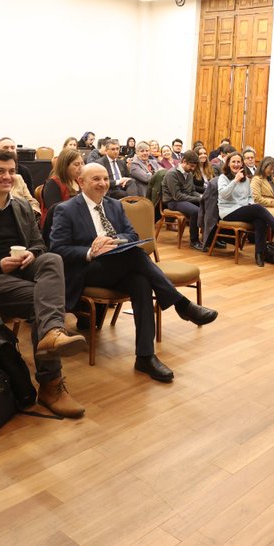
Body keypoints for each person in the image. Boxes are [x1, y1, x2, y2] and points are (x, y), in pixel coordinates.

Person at [0, 149, 88, 417]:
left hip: (19, 273)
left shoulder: (21, 206)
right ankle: (51, 384)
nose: (7, 176)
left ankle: (51, 334)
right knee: (42, 302)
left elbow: (38, 245)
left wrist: (32, 253)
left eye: (12, 171)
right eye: (0, 171)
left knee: (52, 259)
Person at [49, 163, 218, 382]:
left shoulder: (114, 205)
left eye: (105, 178)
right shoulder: (66, 209)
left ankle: (145, 357)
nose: (102, 184)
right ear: (81, 182)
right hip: (88, 269)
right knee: (135, 256)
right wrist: (92, 250)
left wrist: (115, 241)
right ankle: (181, 304)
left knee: (141, 282)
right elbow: (57, 249)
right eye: (96, 179)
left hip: (119, 264)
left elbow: (132, 235)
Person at [216, 152, 274, 267]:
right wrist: (235, 181)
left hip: (243, 209)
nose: (236, 164)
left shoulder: (246, 180)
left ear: (242, 164)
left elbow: (250, 197)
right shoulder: (223, 178)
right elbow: (224, 195)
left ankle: (259, 254)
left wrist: (250, 205)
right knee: (258, 208)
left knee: (260, 220)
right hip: (228, 211)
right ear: (228, 163)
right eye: (233, 161)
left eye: (239, 162)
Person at [162, 150, 204, 251]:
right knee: (196, 211)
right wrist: (198, 198)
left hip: (184, 199)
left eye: (194, 166)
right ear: (184, 161)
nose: (193, 169)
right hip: (172, 202)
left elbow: (192, 191)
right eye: (191, 166)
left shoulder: (189, 174)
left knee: (207, 204)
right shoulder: (172, 174)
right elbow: (177, 196)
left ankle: (210, 238)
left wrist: (202, 197)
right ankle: (194, 241)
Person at [41, 147, 83, 242]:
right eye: (76, 164)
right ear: (65, 166)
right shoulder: (53, 183)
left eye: (82, 163)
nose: (81, 167)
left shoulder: (79, 181)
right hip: (59, 230)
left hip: (78, 225)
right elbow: (55, 212)